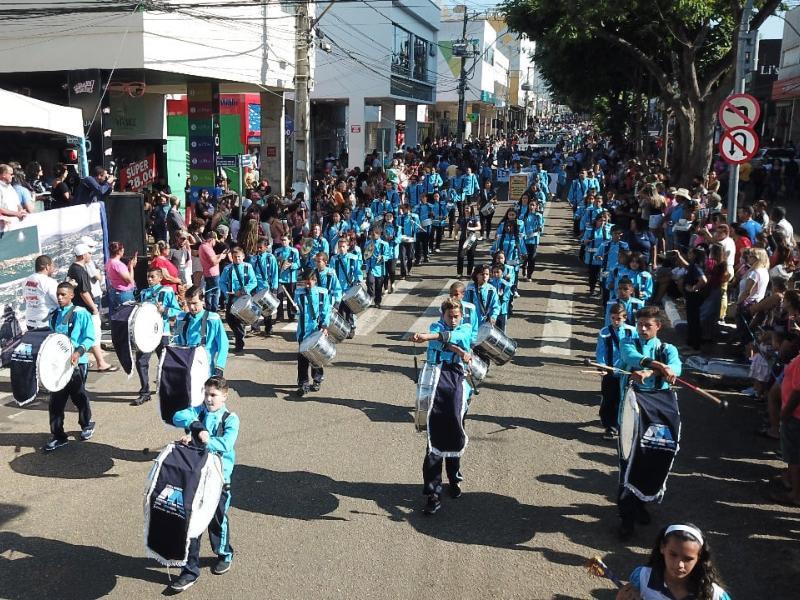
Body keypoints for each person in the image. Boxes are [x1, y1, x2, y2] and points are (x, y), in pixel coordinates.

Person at [169, 376, 240, 592]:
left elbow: (226, 444)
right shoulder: (199, 411)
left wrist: (203, 438)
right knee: (192, 523)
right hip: (196, 477)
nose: (208, 399)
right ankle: (190, 570)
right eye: (206, 394)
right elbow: (177, 415)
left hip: (219, 479)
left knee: (217, 521)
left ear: (224, 396)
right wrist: (194, 426)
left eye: (213, 395)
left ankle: (224, 552)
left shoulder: (230, 418)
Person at [618, 306, 682, 539]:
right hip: (631, 416)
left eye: (648, 325)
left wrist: (656, 372)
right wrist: (655, 366)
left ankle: (640, 504)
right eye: (640, 324)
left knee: (651, 459)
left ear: (658, 327)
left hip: (656, 416)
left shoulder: (668, 349)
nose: (643, 329)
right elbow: (630, 358)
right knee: (629, 465)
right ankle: (626, 517)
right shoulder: (629, 342)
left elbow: (676, 367)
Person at [410, 297, 474, 515]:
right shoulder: (435, 326)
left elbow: (456, 337)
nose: (454, 320)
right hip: (436, 385)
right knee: (433, 441)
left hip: (457, 387)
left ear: (462, 316)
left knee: (454, 433)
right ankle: (433, 493)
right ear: (443, 315)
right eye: (450, 316)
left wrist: (428, 338)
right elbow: (443, 340)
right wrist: (457, 351)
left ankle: (454, 479)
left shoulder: (466, 328)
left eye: (457, 316)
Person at [43, 282, 96, 452]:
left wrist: (78, 353)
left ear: (72, 296)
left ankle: (86, 424)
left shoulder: (81, 314)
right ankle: (58, 436)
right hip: (59, 365)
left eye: (63, 294)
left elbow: (89, 338)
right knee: (55, 402)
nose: (59, 297)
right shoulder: (54, 315)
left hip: (77, 363)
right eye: (58, 294)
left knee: (78, 396)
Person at [615, 524, 730, 600]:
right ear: (662, 548)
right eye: (673, 555)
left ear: (699, 558)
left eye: (688, 559)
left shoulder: (714, 595)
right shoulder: (642, 579)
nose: (679, 564)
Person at [132, 267, 182, 406]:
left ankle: (169, 389)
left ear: (160, 278)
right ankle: (145, 392)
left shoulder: (167, 291)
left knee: (165, 361)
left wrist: (165, 310)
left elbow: (177, 311)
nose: (149, 279)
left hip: (162, 332)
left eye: (152, 277)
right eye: (148, 276)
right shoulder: (144, 292)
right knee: (141, 361)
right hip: (145, 333)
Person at [67, 244, 116, 372]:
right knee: (93, 334)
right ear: (83, 255)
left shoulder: (72, 268)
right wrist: (93, 307)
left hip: (77, 308)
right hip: (84, 308)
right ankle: (101, 362)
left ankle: (83, 360)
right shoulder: (80, 270)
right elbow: (84, 292)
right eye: (89, 253)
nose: (90, 255)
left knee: (81, 335)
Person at [596, 303, 637, 440]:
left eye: (618, 318)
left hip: (626, 372)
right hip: (610, 371)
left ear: (625, 317)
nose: (615, 321)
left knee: (623, 399)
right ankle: (610, 426)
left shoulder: (632, 331)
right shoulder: (604, 332)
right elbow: (600, 352)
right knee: (609, 399)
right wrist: (601, 366)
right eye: (613, 318)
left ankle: (620, 424)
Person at [172, 286, 229, 376]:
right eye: (188, 303)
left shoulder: (212, 318)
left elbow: (223, 344)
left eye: (195, 303)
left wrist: (220, 366)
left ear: (202, 301)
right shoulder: (182, 318)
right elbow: (176, 340)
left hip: (206, 369)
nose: (191, 307)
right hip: (185, 366)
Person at [294, 269, 332, 397]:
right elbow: (297, 310)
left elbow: (326, 311)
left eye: (309, 283)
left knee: (316, 358)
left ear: (315, 281)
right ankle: (303, 383)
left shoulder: (323, 293)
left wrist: (324, 326)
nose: (307, 286)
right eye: (305, 283)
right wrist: (295, 309)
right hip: (303, 331)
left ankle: (317, 379)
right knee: (302, 359)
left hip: (316, 331)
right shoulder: (299, 292)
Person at [219, 247, 257, 353]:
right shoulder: (228, 268)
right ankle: (240, 333)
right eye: (235, 257)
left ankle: (239, 343)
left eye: (239, 257)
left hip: (244, 297)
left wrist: (245, 290)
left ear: (243, 256)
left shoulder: (248, 267)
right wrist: (227, 292)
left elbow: (253, 281)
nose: (237, 259)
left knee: (238, 320)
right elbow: (221, 282)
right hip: (232, 297)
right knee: (230, 319)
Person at [248, 237, 279, 336]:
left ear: (266, 247)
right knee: (254, 309)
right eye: (257, 247)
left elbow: (275, 273)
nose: (259, 249)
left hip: (266, 287)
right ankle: (255, 327)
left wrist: (274, 287)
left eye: (261, 247)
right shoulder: (253, 259)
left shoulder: (270, 258)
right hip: (256, 287)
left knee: (267, 309)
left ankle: (268, 328)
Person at [24, 255, 59, 330]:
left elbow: (26, 299)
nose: (53, 268)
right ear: (47, 267)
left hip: (30, 323)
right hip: (45, 324)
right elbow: (60, 301)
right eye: (52, 266)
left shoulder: (26, 280)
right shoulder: (49, 281)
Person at [105, 241, 137, 315]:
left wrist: (128, 267)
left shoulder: (109, 262)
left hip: (116, 291)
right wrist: (131, 267)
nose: (123, 251)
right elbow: (130, 280)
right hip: (124, 293)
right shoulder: (118, 264)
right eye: (122, 249)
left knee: (118, 316)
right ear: (119, 251)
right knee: (128, 316)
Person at [364, 226, 390, 309]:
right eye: (372, 233)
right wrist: (367, 257)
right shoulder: (368, 243)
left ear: (379, 234)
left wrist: (382, 257)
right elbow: (365, 255)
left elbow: (388, 255)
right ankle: (371, 296)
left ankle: (377, 301)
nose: (373, 235)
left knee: (379, 287)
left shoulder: (384, 244)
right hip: (371, 268)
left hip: (380, 269)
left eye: (375, 233)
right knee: (370, 282)